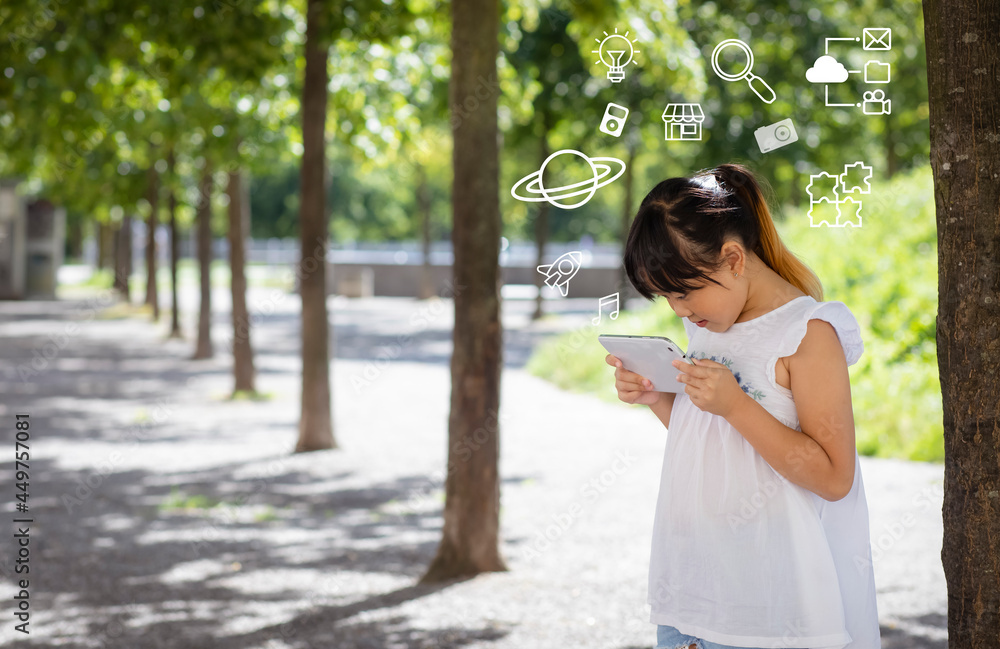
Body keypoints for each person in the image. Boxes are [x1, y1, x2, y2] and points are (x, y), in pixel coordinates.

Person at [605, 164, 880, 649]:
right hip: (691, 593)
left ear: (733, 258)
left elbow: (835, 477)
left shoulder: (809, 334)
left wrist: (735, 405)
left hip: (770, 612)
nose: (678, 310)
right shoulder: (709, 324)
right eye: (666, 296)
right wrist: (657, 398)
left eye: (683, 291)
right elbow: (715, 444)